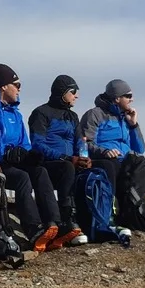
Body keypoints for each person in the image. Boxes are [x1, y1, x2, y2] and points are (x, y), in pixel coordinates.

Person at [0, 64, 62, 251]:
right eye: (17, 84)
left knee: (40, 171)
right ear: (3, 86)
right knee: (22, 177)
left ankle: (54, 224)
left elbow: (24, 144)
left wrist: (29, 155)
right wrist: (6, 152)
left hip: (11, 162)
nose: (19, 89)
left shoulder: (15, 114)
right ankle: (33, 230)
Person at [27, 74, 91, 248]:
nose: (76, 95)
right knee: (68, 168)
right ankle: (67, 219)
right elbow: (38, 144)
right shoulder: (41, 113)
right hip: (49, 163)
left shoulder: (73, 117)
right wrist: (67, 158)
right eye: (73, 91)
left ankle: (93, 224)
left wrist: (85, 158)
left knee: (98, 171)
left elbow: (79, 141)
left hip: (70, 162)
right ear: (62, 93)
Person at [77, 79, 145, 192]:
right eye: (128, 96)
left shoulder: (126, 118)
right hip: (106, 160)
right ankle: (112, 204)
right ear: (117, 98)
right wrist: (105, 152)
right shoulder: (95, 114)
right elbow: (85, 143)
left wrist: (133, 125)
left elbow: (139, 149)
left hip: (127, 161)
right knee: (113, 166)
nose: (132, 99)